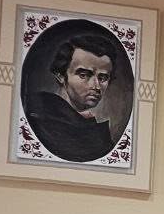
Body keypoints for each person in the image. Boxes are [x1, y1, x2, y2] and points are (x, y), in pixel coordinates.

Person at [25, 34, 118, 163]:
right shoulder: (39, 118)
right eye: (84, 75)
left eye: (103, 78)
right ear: (61, 76)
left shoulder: (88, 126)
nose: (96, 86)